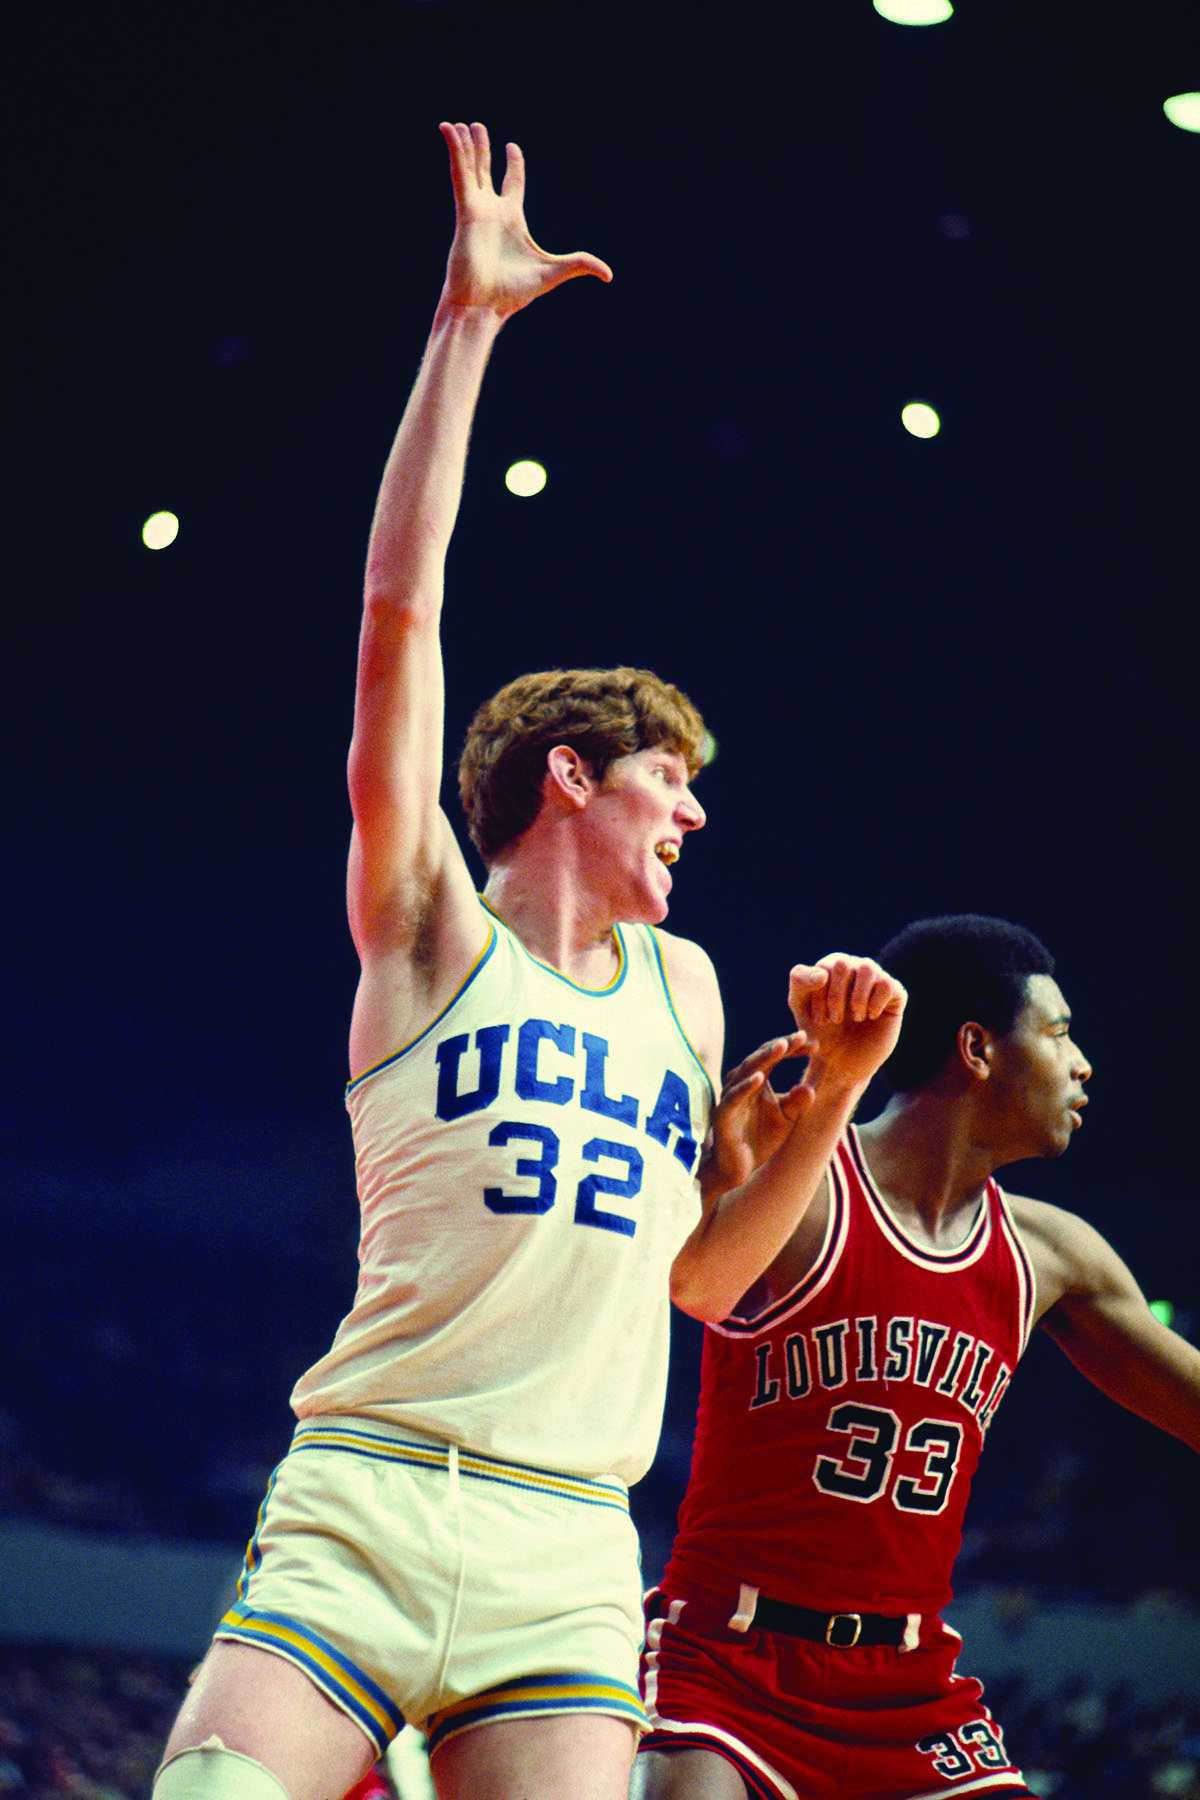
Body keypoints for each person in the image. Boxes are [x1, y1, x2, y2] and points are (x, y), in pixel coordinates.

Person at [152, 122, 905, 1800]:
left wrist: (838, 1100)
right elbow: (398, 615)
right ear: (572, 777)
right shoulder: (429, 924)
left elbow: (706, 1281)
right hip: (369, 1493)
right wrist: (467, 328)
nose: (697, 817)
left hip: (569, 1530)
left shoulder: (690, 990)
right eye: (671, 781)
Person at [633, 913, 1200, 1800]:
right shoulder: (803, 1186)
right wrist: (726, 1178)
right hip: (729, 1660)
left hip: (910, 1683)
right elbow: (687, 1282)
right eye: (1058, 1035)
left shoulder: (1053, 1256)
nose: (1083, 1063)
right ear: (976, 1048)